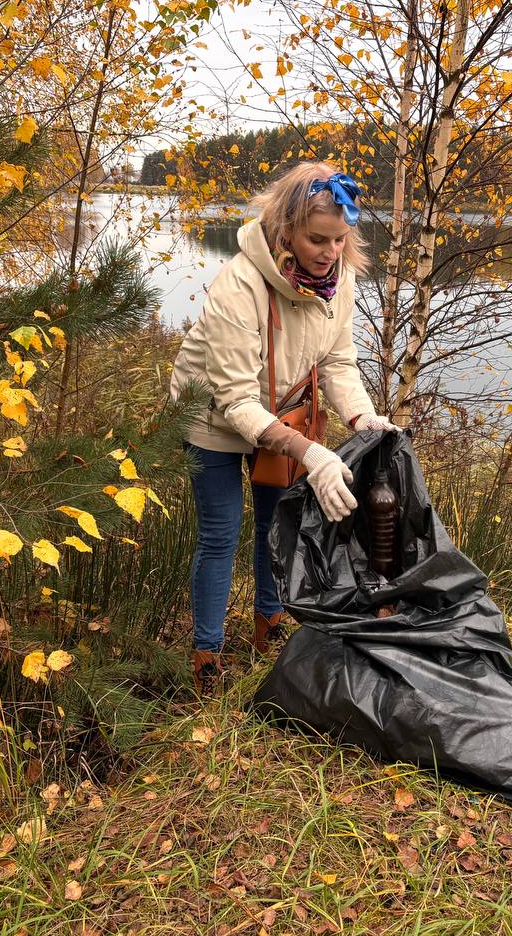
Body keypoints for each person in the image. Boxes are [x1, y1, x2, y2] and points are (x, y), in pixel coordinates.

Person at [168, 161, 399, 696]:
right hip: (214, 417)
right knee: (220, 534)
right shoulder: (239, 285)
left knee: (278, 527)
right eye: (318, 239)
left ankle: (267, 625)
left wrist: (363, 416)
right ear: (285, 229)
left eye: (340, 240)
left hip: (283, 415)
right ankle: (208, 655)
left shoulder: (338, 282)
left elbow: (339, 361)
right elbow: (234, 399)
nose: (330, 252)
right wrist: (313, 455)